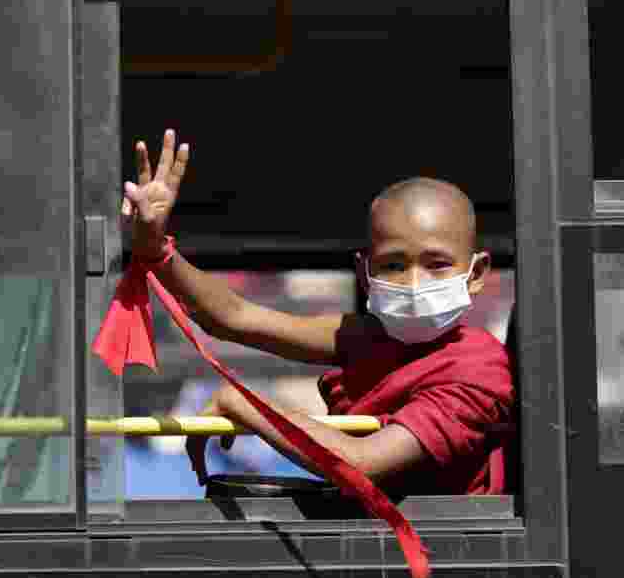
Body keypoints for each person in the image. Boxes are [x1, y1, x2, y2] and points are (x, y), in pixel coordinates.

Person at [121, 130, 515, 495]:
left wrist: (244, 404)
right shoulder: (364, 337)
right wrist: (156, 249)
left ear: (476, 273)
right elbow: (233, 317)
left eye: (437, 265)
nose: (414, 283)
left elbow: (364, 464)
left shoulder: (480, 370)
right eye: (394, 265)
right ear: (365, 273)